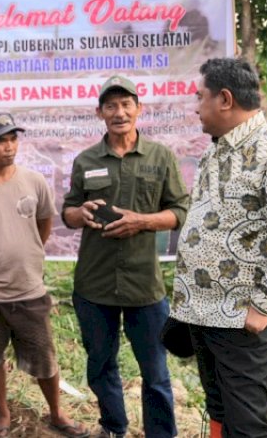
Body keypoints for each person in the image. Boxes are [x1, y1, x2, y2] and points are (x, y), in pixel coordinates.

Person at [172, 58, 267, 437]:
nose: (195, 106)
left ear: (224, 99)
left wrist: (263, 305)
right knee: (218, 407)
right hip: (203, 311)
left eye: (199, 97)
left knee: (247, 423)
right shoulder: (214, 152)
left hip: (241, 317)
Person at [62, 75, 190, 438]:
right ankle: (113, 427)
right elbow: (68, 212)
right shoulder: (85, 160)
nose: (119, 112)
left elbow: (180, 210)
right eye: (111, 106)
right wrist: (80, 213)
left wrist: (143, 222)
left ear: (138, 108)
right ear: (100, 112)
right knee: (100, 365)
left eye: (126, 104)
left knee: (156, 373)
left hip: (144, 286)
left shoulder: (160, 156)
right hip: (94, 283)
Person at [0, 113, 89, 438]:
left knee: (44, 357)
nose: (9, 147)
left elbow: (44, 224)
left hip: (29, 289)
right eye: (0, 140)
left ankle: (57, 413)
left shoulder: (33, 181)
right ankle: (3, 414)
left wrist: (24, 252)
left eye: (13, 139)